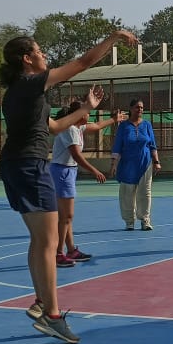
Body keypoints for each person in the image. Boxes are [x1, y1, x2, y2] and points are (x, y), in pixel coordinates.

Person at [0, 29, 137, 344]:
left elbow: (56, 127)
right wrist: (114, 37)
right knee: (48, 243)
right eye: (39, 50)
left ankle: (40, 302)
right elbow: (84, 62)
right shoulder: (31, 82)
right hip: (29, 165)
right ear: (27, 59)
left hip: (15, 164)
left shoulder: (20, 94)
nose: (44, 54)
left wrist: (86, 107)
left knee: (39, 240)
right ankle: (53, 316)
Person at [49, 100, 122, 266]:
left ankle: (71, 250)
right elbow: (75, 155)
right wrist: (94, 171)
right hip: (62, 171)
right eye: (86, 111)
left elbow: (96, 126)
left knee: (67, 217)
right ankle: (58, 254)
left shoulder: (78, 127)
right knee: (66, 217)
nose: (88, 114)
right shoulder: (69, 129)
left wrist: (114, 119)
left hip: (67, 171)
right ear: (79, 114)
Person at [110, 99, 160, 230]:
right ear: (131, 109)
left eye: (142, 108)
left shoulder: (147, 125)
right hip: (127, 165)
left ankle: (145, 221)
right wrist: (114, 164)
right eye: (137, 107)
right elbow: (117, 147)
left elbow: (152, 145)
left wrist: (156, 162)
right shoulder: (123, 127)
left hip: (145, 163)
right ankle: (129, 221)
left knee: (145, 193)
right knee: (127, 193)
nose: (140, 110)